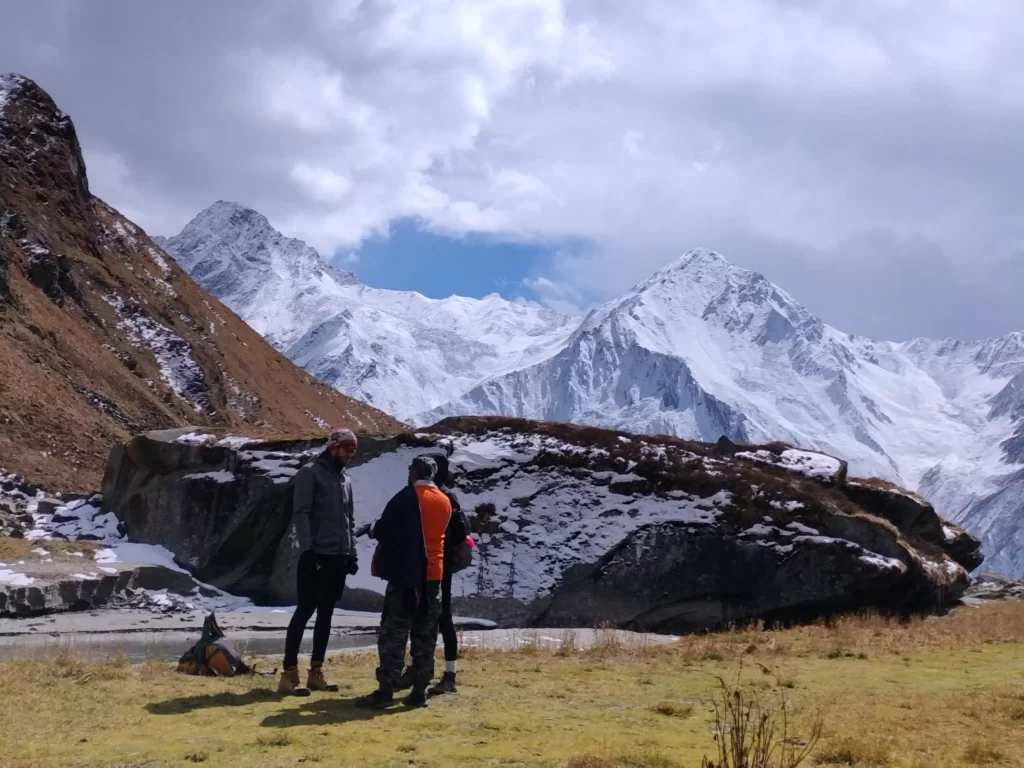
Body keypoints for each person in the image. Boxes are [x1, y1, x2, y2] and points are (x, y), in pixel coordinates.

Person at [357, 454, 451, 708]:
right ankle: (419, 691)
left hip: (406, 577)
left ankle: (386, 690)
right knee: (425, 635)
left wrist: (372, 529)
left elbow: (387, 529)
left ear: (413, 473)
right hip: (433, 577)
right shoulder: (444, 501)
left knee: (394, 634)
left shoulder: (406, 497)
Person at [277, 427, 359, 696]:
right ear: (334, 447)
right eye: (348, 449)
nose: (351, 454)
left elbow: (350, 518)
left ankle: (316, 672)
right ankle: (289, 676)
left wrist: (352, 553)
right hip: (316, 556)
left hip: (339, 557)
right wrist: (308, 550)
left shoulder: (345, 479)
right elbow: (300, 513)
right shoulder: (310, 473)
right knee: (304, 612)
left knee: (326, 614)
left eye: (353, 450)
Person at [394, 452, 468, 695]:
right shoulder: (445, 498)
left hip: (435, 566)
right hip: (438, 566)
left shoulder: (438, 497)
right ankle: (431, 671)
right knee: (428, 619)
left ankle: (447, 675)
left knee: (438, 618)